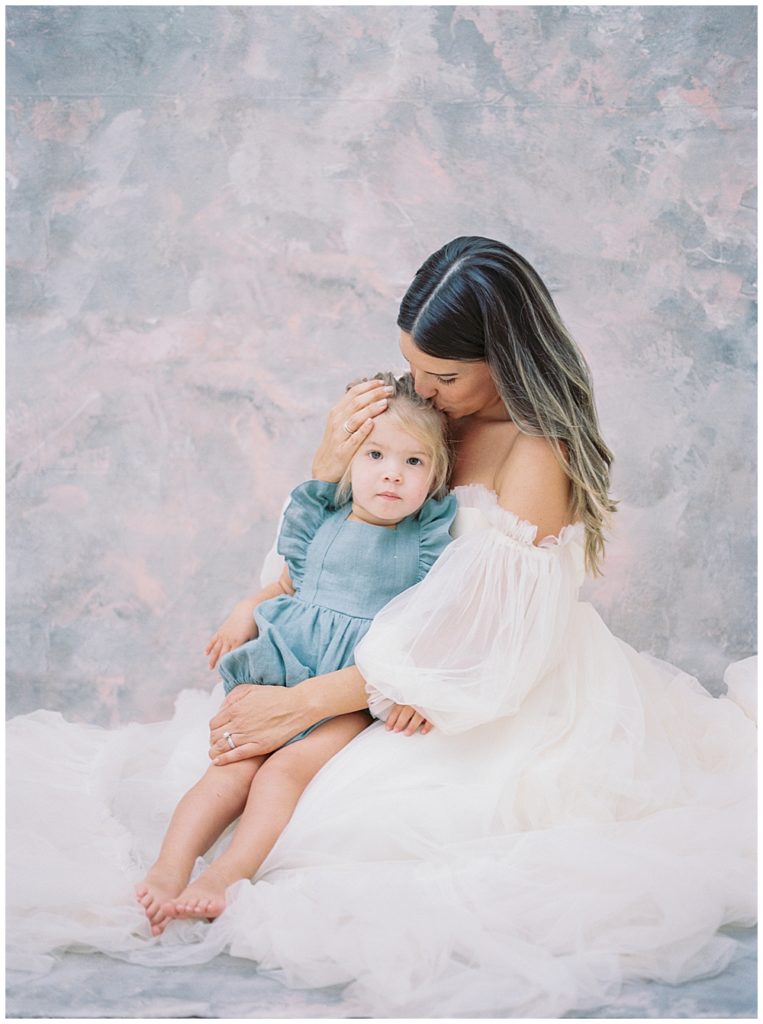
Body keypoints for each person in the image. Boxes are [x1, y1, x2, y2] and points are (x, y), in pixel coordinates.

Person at [6, 237, 755, 1018]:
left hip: (470, 681)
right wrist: (328, 458)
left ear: (505, 358)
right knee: (216, 772)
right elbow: (320, 555)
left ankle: (225, 873)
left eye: (445, 376)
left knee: (341, 813)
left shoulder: (536, 451)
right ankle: (179, 867)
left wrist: (312, 702)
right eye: (415, 366)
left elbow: (489, 630)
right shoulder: (415, 416)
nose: (423, 392)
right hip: (367, 661)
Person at [135, 372, 456, 935]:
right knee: (229, 771)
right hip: (283, 667)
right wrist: (244, 609)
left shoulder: (424, 540)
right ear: (350, 460)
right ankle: (170, 868)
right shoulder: (321, 522)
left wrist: (418, 690)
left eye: (414, 462)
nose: (391, 473)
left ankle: (226, 876)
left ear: (434, 478)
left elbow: (433, 624)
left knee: (282, 772)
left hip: (346, 695)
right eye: (376, 454)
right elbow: (288, 586)